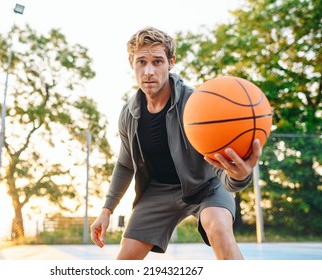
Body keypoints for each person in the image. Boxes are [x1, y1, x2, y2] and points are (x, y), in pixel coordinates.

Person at [90, 26, 261, 260]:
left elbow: (220, 167)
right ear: (131, 62)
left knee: (219, 228)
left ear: (171, 62)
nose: (149, 71)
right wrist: (106, 209)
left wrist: (239, 176)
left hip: (205, 187)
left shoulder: (197, 105)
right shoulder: (129, 114)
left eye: (157, 61)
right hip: (157, 191)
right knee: (124, 261)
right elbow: (125, 165)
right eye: (141, 62)